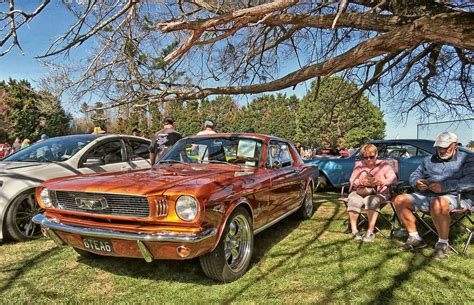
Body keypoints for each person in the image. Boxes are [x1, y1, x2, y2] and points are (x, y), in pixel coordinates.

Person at [393, 131, 474, 259]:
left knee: (438, 203)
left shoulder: (468, 159)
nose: (441, 150)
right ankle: (414, 238)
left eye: (445, 147)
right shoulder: (429, 159)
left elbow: (470, 182)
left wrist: (443, 187)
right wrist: (417, 182)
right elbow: (415, 175)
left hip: (457, 196)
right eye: (439, 147)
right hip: (428, 194)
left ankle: (443, 244)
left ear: (455, 145)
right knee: (399, 200)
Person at [347, 143, 397, 242]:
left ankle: (370, 231)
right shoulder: (359, 165)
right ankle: (354, 230)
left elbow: (393, 178)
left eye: (371, 156)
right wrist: (360, 182)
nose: (368, 159)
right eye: (366, 157)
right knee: (353, 200)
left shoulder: (384, 165)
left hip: (379, 193)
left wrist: (382, 182)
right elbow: (352, 180)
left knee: (371, 201)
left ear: (376, 154)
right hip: (361, 191)